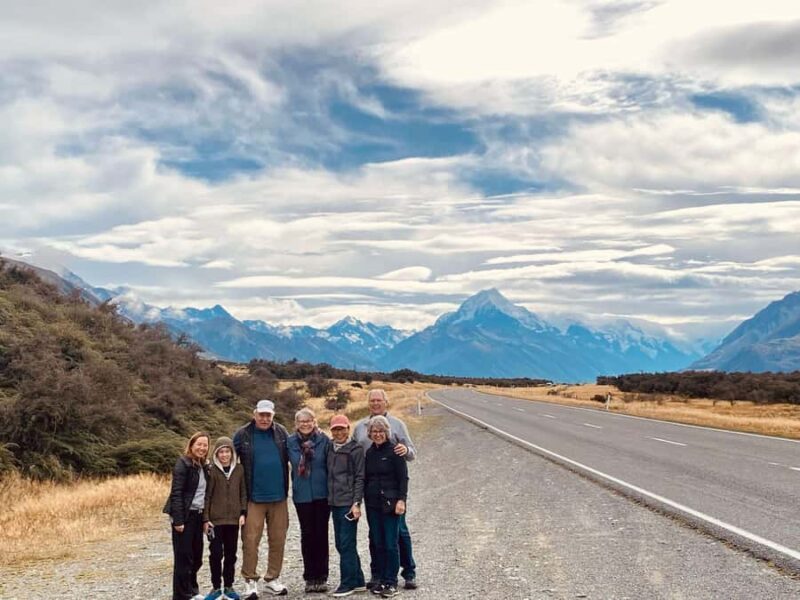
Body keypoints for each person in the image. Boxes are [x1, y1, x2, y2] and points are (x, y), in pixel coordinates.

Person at [353, 389, 418, 590]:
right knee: (375, 536)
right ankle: (378, 573)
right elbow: (354, 452)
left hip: (392, 493)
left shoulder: (399, 425)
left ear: (386, 402)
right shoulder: (360, 427)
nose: (375, 403)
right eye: (372, 400)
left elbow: (411, 453)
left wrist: (405, 450)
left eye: (379, 400)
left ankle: (408, 572)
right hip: (371, 491)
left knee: (399, 533)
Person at [233, 399, 291, 598]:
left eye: (268, 415)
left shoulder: (282, 432)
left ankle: (272, 579)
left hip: (279, 497)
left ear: (273, 415)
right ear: (254, 414)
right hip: (253, 498)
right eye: (261, 415)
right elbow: (229, 459)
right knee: (250, 540)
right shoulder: (243, 434)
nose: (265, 419)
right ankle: (250, 581)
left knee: (278, 540)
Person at [287, 408, 332, 593]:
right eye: (301, 421)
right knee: (307, 535)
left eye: (309, 420)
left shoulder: (324, 440)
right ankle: (310, 576)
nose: (305, 424)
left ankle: (322, 576)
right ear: (296, 423)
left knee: (321, 534)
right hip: (302, 495)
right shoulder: (289, 442)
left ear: (315, 422)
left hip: (322, 494)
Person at [363, 416, 408, 598]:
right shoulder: (369, 453)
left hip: (391, 504)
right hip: (372, 503)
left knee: (391, 543)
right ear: (370, 433)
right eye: (374, 431)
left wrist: (401, 500)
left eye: (381, 431)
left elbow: (403, 478)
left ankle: (391, 582)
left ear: (387, 432)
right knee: (378, 542)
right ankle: (381, 579)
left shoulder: (395, 451)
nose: (378, 434)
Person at [165, 431, 210, 600]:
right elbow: (176, 493)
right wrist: (178, 519)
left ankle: (192, 589)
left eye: (205, 445)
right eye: (199, 444)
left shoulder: (204, 466)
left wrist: (206, 518)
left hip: (198, 516)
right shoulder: (183, 464)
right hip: (184, 516)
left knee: (196, 557)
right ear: (191, 445)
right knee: (183, 558)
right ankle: (181, 595)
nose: (202, 448)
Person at [326, 414, 367, 597]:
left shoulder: (355, 449)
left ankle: (347, 583)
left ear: (348, 429)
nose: (339, 432)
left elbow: (360, 477)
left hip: (348, 504)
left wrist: (356, 503)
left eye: (342, 428)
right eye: (335, 429)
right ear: (331, 431)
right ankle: (358, 580)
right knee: (341, 544)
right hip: (334, 502)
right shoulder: (330, 447)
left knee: (346, 543)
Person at [202, 436, 248, 600]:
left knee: (231, 554)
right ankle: (215, 588)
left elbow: (243, 492)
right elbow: (207, 496)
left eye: (227, 451)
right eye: (221, 452)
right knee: (215, 554)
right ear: (216, 453)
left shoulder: (240, 469)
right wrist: (206, 519)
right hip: (215, 521)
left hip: (234, 520)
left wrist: (243, 513)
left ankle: (228, 586)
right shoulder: (211, 471)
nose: (224, 455)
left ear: (232, 453)